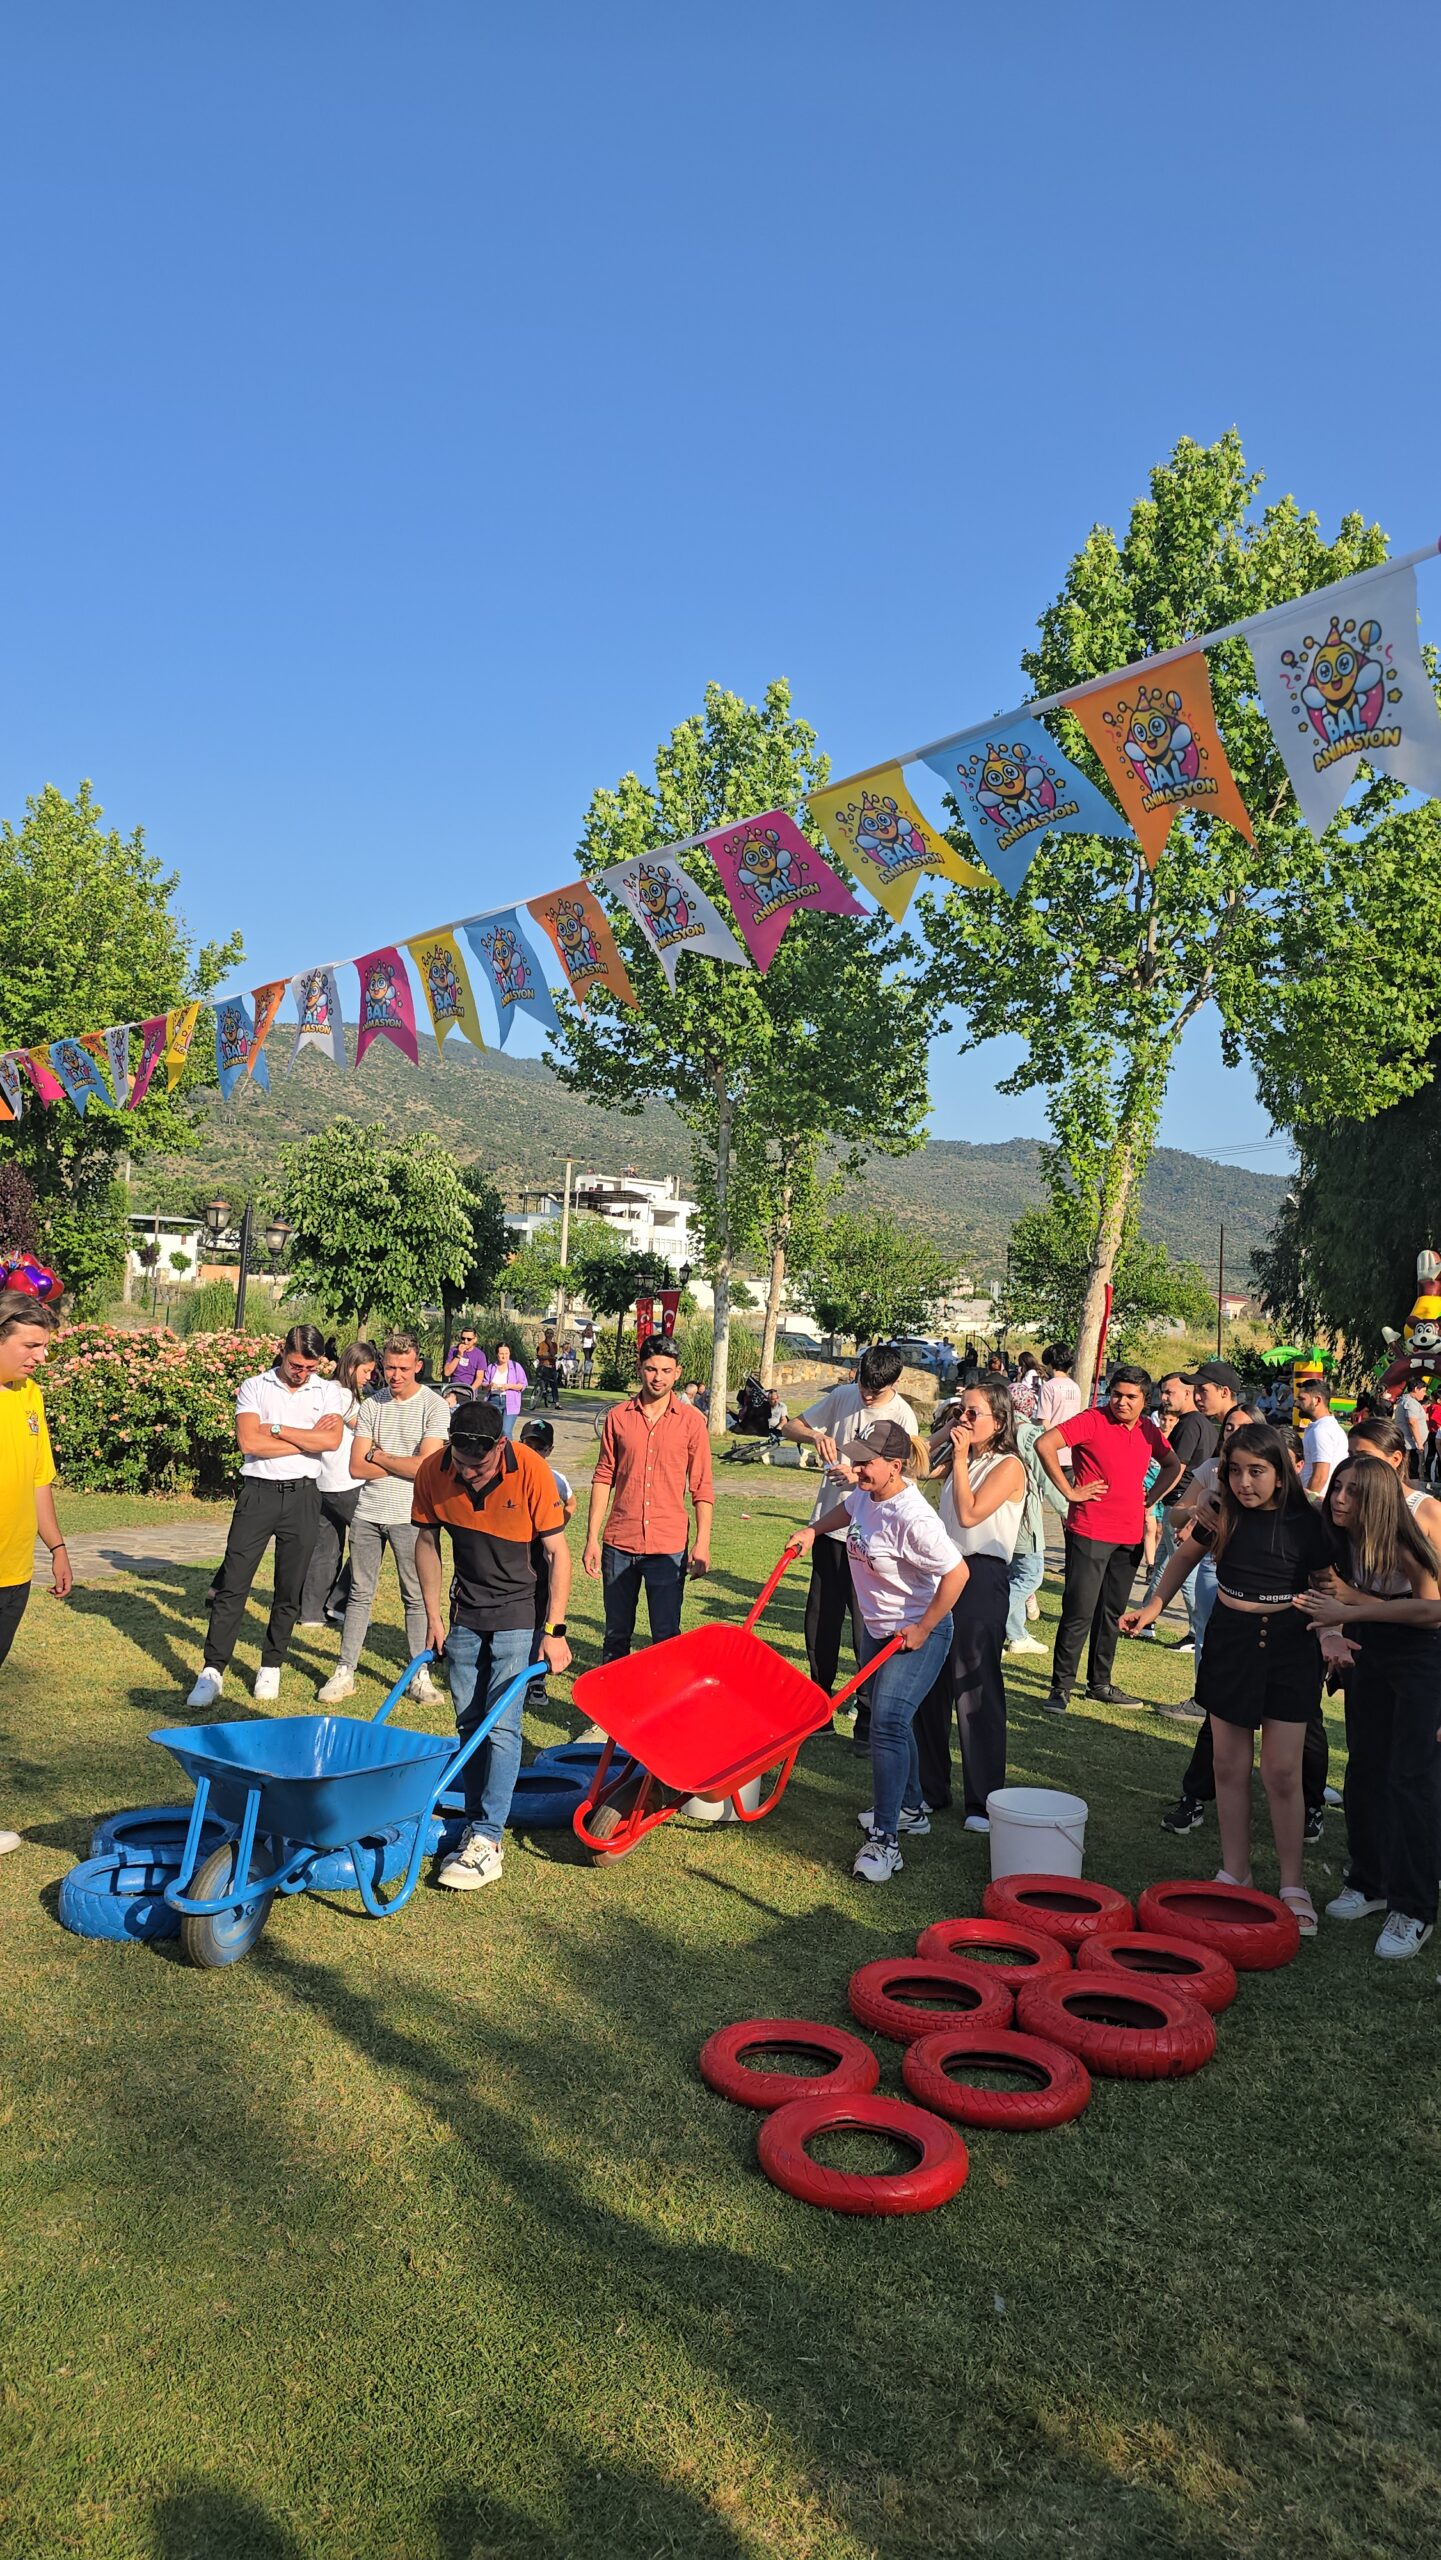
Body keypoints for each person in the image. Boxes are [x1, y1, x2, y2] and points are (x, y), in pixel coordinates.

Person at [1122, 1423, 1334, 1934]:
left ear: (1281, 1473)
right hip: (1230, 1642)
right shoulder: (1219, 1511)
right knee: (1227, 1764)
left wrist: (1333, 1632)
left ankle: (1292, 1884)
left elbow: (1328, 1586)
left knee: (1281, 1772)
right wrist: (1153, 1606)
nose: (1244, 1482)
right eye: (1234, 1471)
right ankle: (1235, 1872)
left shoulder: (1308, 1521)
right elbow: (1183, 1556)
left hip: (1290, 1647)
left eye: (1256, 1471)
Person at [792, 1421, 967, 1884]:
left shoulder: (914, 1518)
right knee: (895, 1722)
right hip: (877, 1631)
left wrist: (923, 1627)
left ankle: (886, 1841)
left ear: (895, 1465)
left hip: (916, 1634)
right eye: (856, 1460)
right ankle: (910, 1809)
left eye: (866, 1463)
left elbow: (958, 1574)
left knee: (887, 1724)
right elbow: (847, 1508)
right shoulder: (868, 1495)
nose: (857, 1470)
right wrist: (812, 1531)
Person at [413, 1401, 571, 1892]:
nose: (469, 1474)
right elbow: (427, 1544)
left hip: (520, 1610)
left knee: (501, 1724)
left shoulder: (532, 1469)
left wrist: (556, 1630)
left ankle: (488, 1839)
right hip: (466, 1611)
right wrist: (433, 1616)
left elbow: (556, 1553)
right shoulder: (433, 1472)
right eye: (461, 1464)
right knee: (468, 1722)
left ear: (500, 1446)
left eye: (478, 1466)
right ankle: (474, 1817)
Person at [1296, 1463, 1441, 1958]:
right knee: (1365, 1768)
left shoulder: (1403, 1540)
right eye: (1337, 1486)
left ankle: (1415, 1907)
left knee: (1412, 1778)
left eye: (1353, 1492)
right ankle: (1369, 1881)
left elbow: (1433, 1611)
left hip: (1421, 1653)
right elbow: (1324, 1593)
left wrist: (1353, 1610)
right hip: (1368, 1647)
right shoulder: (1335, 1535)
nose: (1338, 1498)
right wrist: (1335, 1630)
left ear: (1377, 1499)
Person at [187, 1325, 345, 1707]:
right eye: (296, 1365)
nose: (301, 1373)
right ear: (282, 1351)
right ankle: (213, 1670)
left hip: (304, 1496)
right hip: (258, 1494)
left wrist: (275, 1429)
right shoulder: (255, 1386)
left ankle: (271, 1665)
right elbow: (248, 1441)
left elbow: (331, 1441)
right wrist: (305, 1439)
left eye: (310, 1367)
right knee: (233, 1583)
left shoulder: (327, 1391)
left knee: (289, 1588)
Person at [1034, 1365, 1181, 1715]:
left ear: (1145, 1400)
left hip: (1129, 1535)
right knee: (1079, 1610)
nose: (1122, 1402)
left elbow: (1173, 1465)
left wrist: (1151, 1498)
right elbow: (1044, 1444)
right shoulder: (1092, 1420)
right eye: (1116, 1394)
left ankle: (1099, 1683)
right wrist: (1069, 1491)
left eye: (1131, 1397)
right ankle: (1061, 1687)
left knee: (1111, 1612)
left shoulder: (1147, 1429)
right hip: (1090, 1530)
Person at [778, 1346, 918, 1710]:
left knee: (866, 1624)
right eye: (863, 1386)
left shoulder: (902, 1415)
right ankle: (818, 1700)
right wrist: (814, 1436)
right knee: (821, 1618)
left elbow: (904, 1476)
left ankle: (867, 1705)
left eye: (876, 1390)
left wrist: (858, 1476)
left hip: (873, 1535)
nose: (867, 1395)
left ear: (895, 1383)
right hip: (830, 1526)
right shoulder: (842, 1396)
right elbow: (790, 1426)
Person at [916, 1377, 1027, 1828]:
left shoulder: (1008, 1466)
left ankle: (983, 1800)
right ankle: (930, 1788)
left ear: (998, 1421)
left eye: (972, 1412)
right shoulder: (960, 1454)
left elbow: (969, 1513)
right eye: (960, 1409)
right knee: (931, 1681)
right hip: (944, 1572)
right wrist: (947, 1433)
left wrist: (960, 1458)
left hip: (982, 1575)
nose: (964, 1418)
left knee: (975, 1685)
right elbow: (915, 1466)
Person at [317, 1334, 450, 1707]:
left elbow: (425, 1468)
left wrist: (379, 1455)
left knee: (415, 1595)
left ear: (418, 1366)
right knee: (359, 1594)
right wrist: (400, 1462)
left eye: (403, 1368)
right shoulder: (372, 1405)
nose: (395, 1375)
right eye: (389, 1367)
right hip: (367, 1513)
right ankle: (345, 1670)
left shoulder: (434, 1406)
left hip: (411, 1516)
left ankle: (419, 1674)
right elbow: (356, 1466)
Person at [583, 1332, 713, 1661]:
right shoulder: (618, 1417)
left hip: (668, 1545)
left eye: (666, 1371)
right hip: (619, 1542)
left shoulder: (692, 1423)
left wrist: (702, 1543)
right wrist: (592, 1538)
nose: (658, 1378)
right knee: (616, 1635)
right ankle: (614, 1694)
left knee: (666, 1636)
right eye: (652, 1369)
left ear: (677, 1373)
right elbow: (603, 1476)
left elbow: (701, 1486)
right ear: (640, 1368)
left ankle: (662, 1695)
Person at [0, 1292, 72, 1855]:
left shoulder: (30, 1396)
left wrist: (58, 1546)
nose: (40, 1357)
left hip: (14, 1573)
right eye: (31, 1345)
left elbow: (37, 1479)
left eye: (44, 1346)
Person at [297, 1340, 378, 1632]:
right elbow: (364, 1429)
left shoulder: (329, 1390)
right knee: (371, 1540)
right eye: (366, 1371)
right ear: (352, 1366)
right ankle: (341, 1604)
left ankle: (312, 1611)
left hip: (324, 1481)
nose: (369, 1377)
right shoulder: (341, 1394)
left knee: (326, 1547)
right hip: (345, 1482)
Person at [1137, 1373, 1218, 1651]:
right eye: (1162, 1392)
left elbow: (1177, 1468)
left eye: (1169, 1392)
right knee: (1162, 1565)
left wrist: (1152, 1498)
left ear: (1188, 1393)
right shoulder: (1204, 1423)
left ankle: (1197, 1632)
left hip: (1182, 1505)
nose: (1163, 1398)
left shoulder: (1189, 1424)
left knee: (1184, 1568)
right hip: (1183, 1504)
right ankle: (1145, 1620)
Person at [520, 1417, 575, 1687]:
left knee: (541, 1613)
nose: (533, 1452)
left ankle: (537, 1678)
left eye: (539, 1448)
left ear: (549, 1451)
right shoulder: (511, 1474)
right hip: (518, 1551)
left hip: (542, 1554)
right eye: (528, 1445)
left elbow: (571, 1502)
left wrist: (557, 1525)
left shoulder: (555, 1478)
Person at [1296, 1376, 1348, 1497]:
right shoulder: (1323, 1427)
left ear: (1317, 1400)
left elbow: (1320, 1476)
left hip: (1317, 1501)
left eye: (1301, 1399)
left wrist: (1307, 1503)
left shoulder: (1321, 1431)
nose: (1296, 1403)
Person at [483, 1341, 528, 1439]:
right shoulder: (491, 1367)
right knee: (493, 1431)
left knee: (506, 1431)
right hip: (493, 1400)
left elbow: (523, 1385)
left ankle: (508, 1448)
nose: (504, 1356)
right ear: (497, 1354)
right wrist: (490, 1385)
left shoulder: (516, 1366)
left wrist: (509, 1386)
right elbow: (484, 1385)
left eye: (506, 1353)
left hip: (511, 1402)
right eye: (501, 1354)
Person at [1037, 1344, 1083, 1431]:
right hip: (1072, 1435)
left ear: (1050, 1364)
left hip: (1053, 1436)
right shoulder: (1075, 1387)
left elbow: (1045, 1423)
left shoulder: (1048, 1387)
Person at [1395, 1379, 1429, 1483]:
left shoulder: (1406, 1400)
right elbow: (1412, 1421)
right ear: (1416, 1389)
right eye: (1423, 1391)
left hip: (1409, 1443)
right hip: (1410, 1445)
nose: (1425, 1394)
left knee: (1406, 1472)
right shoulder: (1411, 1402)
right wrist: (1419, 1443)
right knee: (1411, 1472)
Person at [443, 1326, 486, 1400]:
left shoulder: (480, 1355)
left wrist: (470, 1391)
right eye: (463, 1338)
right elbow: (447, 1373)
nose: (465, 1341)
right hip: (453, 1389)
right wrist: (459, 1355)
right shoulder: (453, 1351)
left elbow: (479, 1378)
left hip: (468, 1390)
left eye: (469, 1339)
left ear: (475, 1339)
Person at [1009, 1351, 1043, 1423]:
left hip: (1032, 1409)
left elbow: (1021, 1391)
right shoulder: (1035, 1373)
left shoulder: (1030, 1374)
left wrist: (1019, 1378)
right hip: (1035, 1408)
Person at [535, 1327, 561, 1409]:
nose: (549, 1335)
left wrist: (550, 1345)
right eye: (548, 1333)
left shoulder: (554, 1345)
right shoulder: (541, 1344)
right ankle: (539, 1399)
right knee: (542, 1383)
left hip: (552, 1367)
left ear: (553, 1335)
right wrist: (549, 1357)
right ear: (545, 1334)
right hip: (544, 1366)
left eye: (551, 1333)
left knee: (554, 1385)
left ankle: (556, 1403)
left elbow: (553, 1354)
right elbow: (540, 1356)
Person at [578, 1322, 596, 1389]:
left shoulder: (584, 1332)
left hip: (587, 1347)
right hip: (589, 1347)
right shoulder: (592, 1333)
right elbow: (594, 1340)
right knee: (588, 1358)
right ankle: (587, 1370)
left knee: (587, 1358)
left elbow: (581, 1340)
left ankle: (587, 1369)